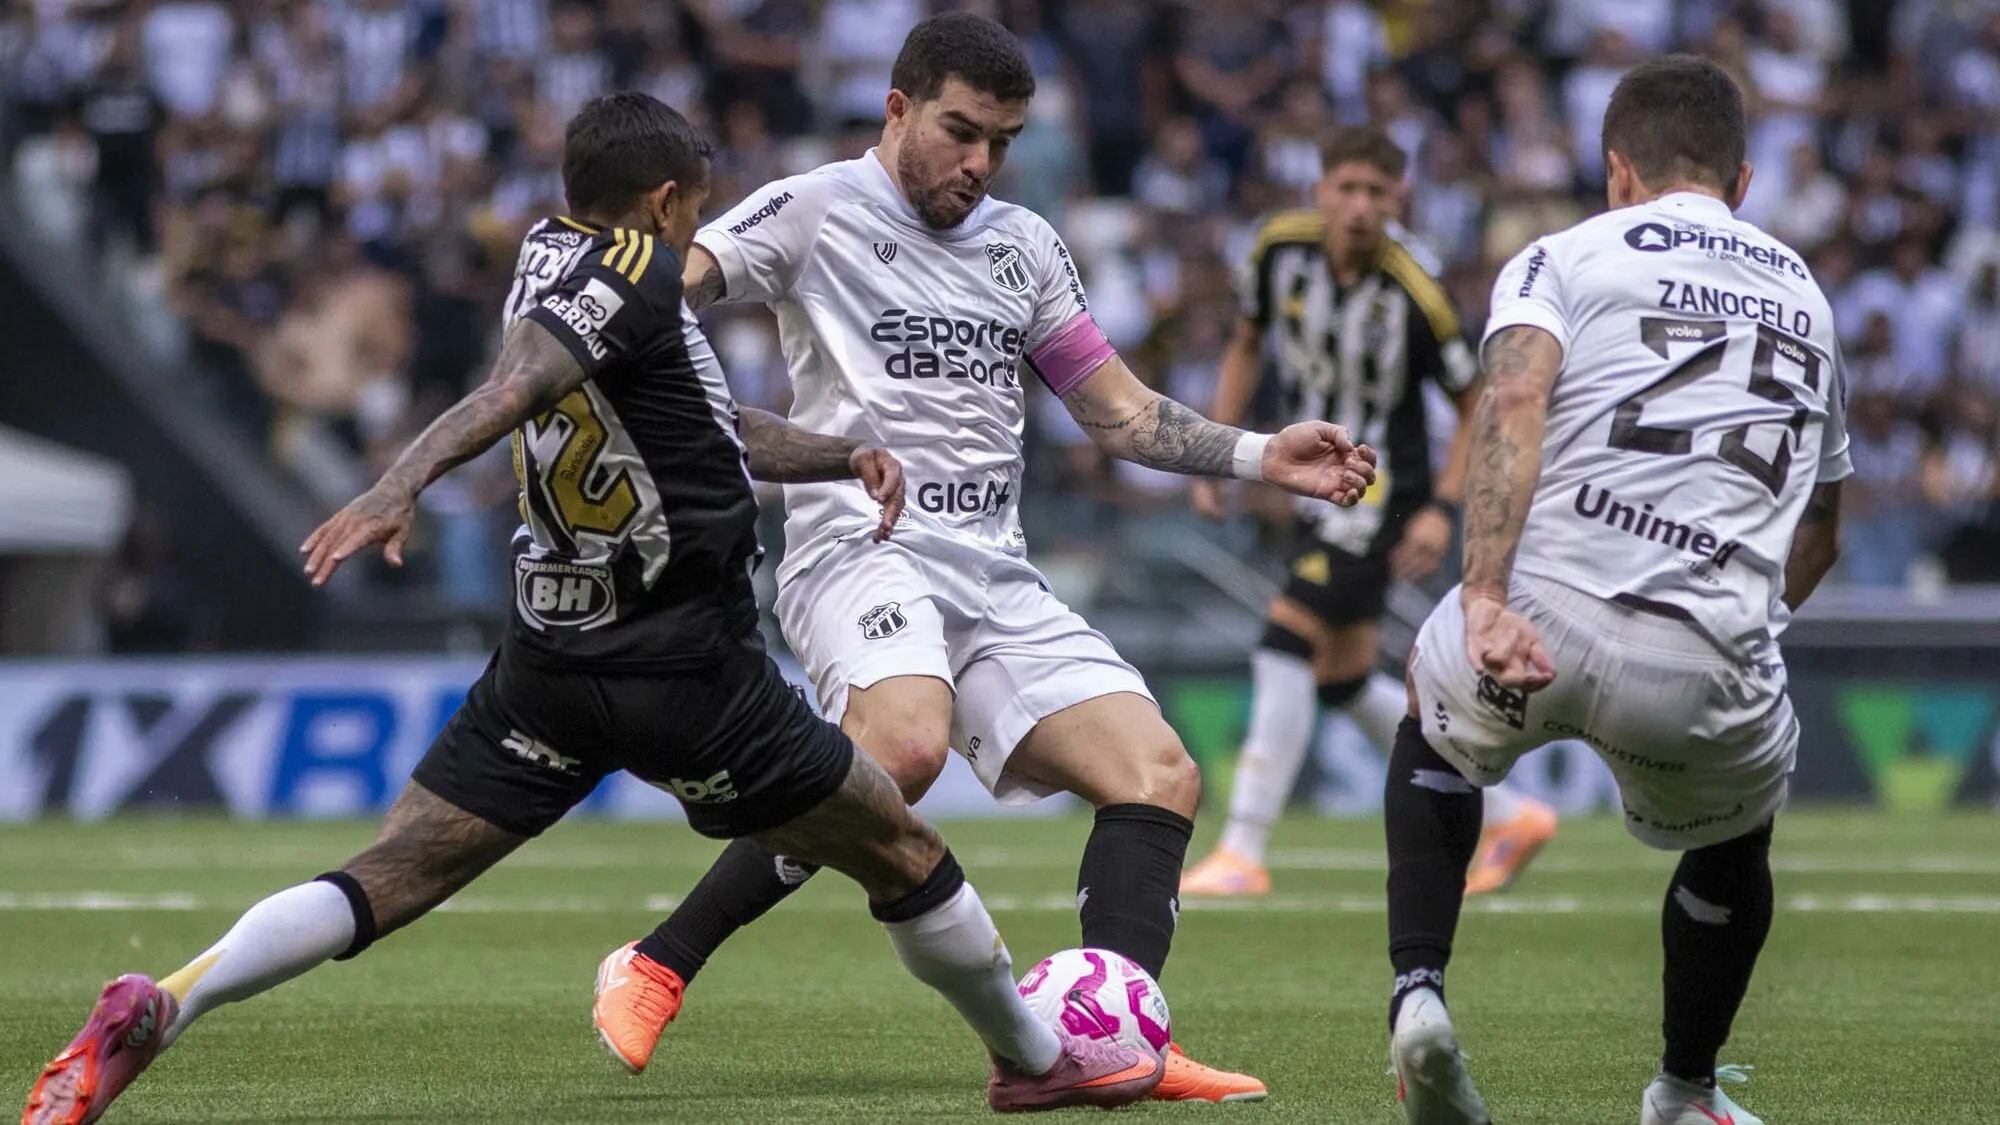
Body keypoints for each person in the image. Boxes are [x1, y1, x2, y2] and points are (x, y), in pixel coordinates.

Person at [21, 93, 1168, 1125]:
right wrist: (394, 483)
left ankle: (169, 1001)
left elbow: (694, 419)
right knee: (904, 851)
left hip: (550, 661)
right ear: (667, 202)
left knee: (390, 874)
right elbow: (512, 391)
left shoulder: (548, 258)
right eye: (693, 214)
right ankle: (1034, 1058)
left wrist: (837, 452)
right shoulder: (635, 276)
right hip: (689, 674)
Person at [591, 13, 1377, 1104]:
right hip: (857, 552)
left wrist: (1258, 455)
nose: (979, 163)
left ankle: (1111, 1046)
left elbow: (1114, 412)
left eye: (1001, 141)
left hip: (991, 574)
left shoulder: (1023, 244)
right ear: (898, 108)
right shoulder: (814, 208)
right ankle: (657, 960)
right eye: (960, 132)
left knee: (1159, 775)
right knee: (900, 752)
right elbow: (658, 291)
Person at [1377, 58, 1847, 1125]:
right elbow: (1820, 528)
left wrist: (1484, 594)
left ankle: (1417, 998)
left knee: (1431, 720)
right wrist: (1743, 624)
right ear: (1739, 178)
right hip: (1705, 657)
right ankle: (1682, 1091)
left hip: (1536, 624)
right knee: (1737, 836)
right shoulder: (1804, 295)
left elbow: (1511, 401)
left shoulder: (1560, 256)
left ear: (1615, 170)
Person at [1180, 126, 1559, 902]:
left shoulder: (1416, 291)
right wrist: (1220, 449)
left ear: (1400, 200)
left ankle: (1243, 847)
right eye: (1345, 189)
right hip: (1317, 487)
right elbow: (1246, 341)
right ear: (1319, 190)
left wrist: (1441, 510)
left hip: (1385, 492)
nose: (1359, 207)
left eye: (1376, 194)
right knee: (1344, 677)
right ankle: (1511, 813)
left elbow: (1476, 402)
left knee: (1287, 634)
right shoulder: (1276, 251)